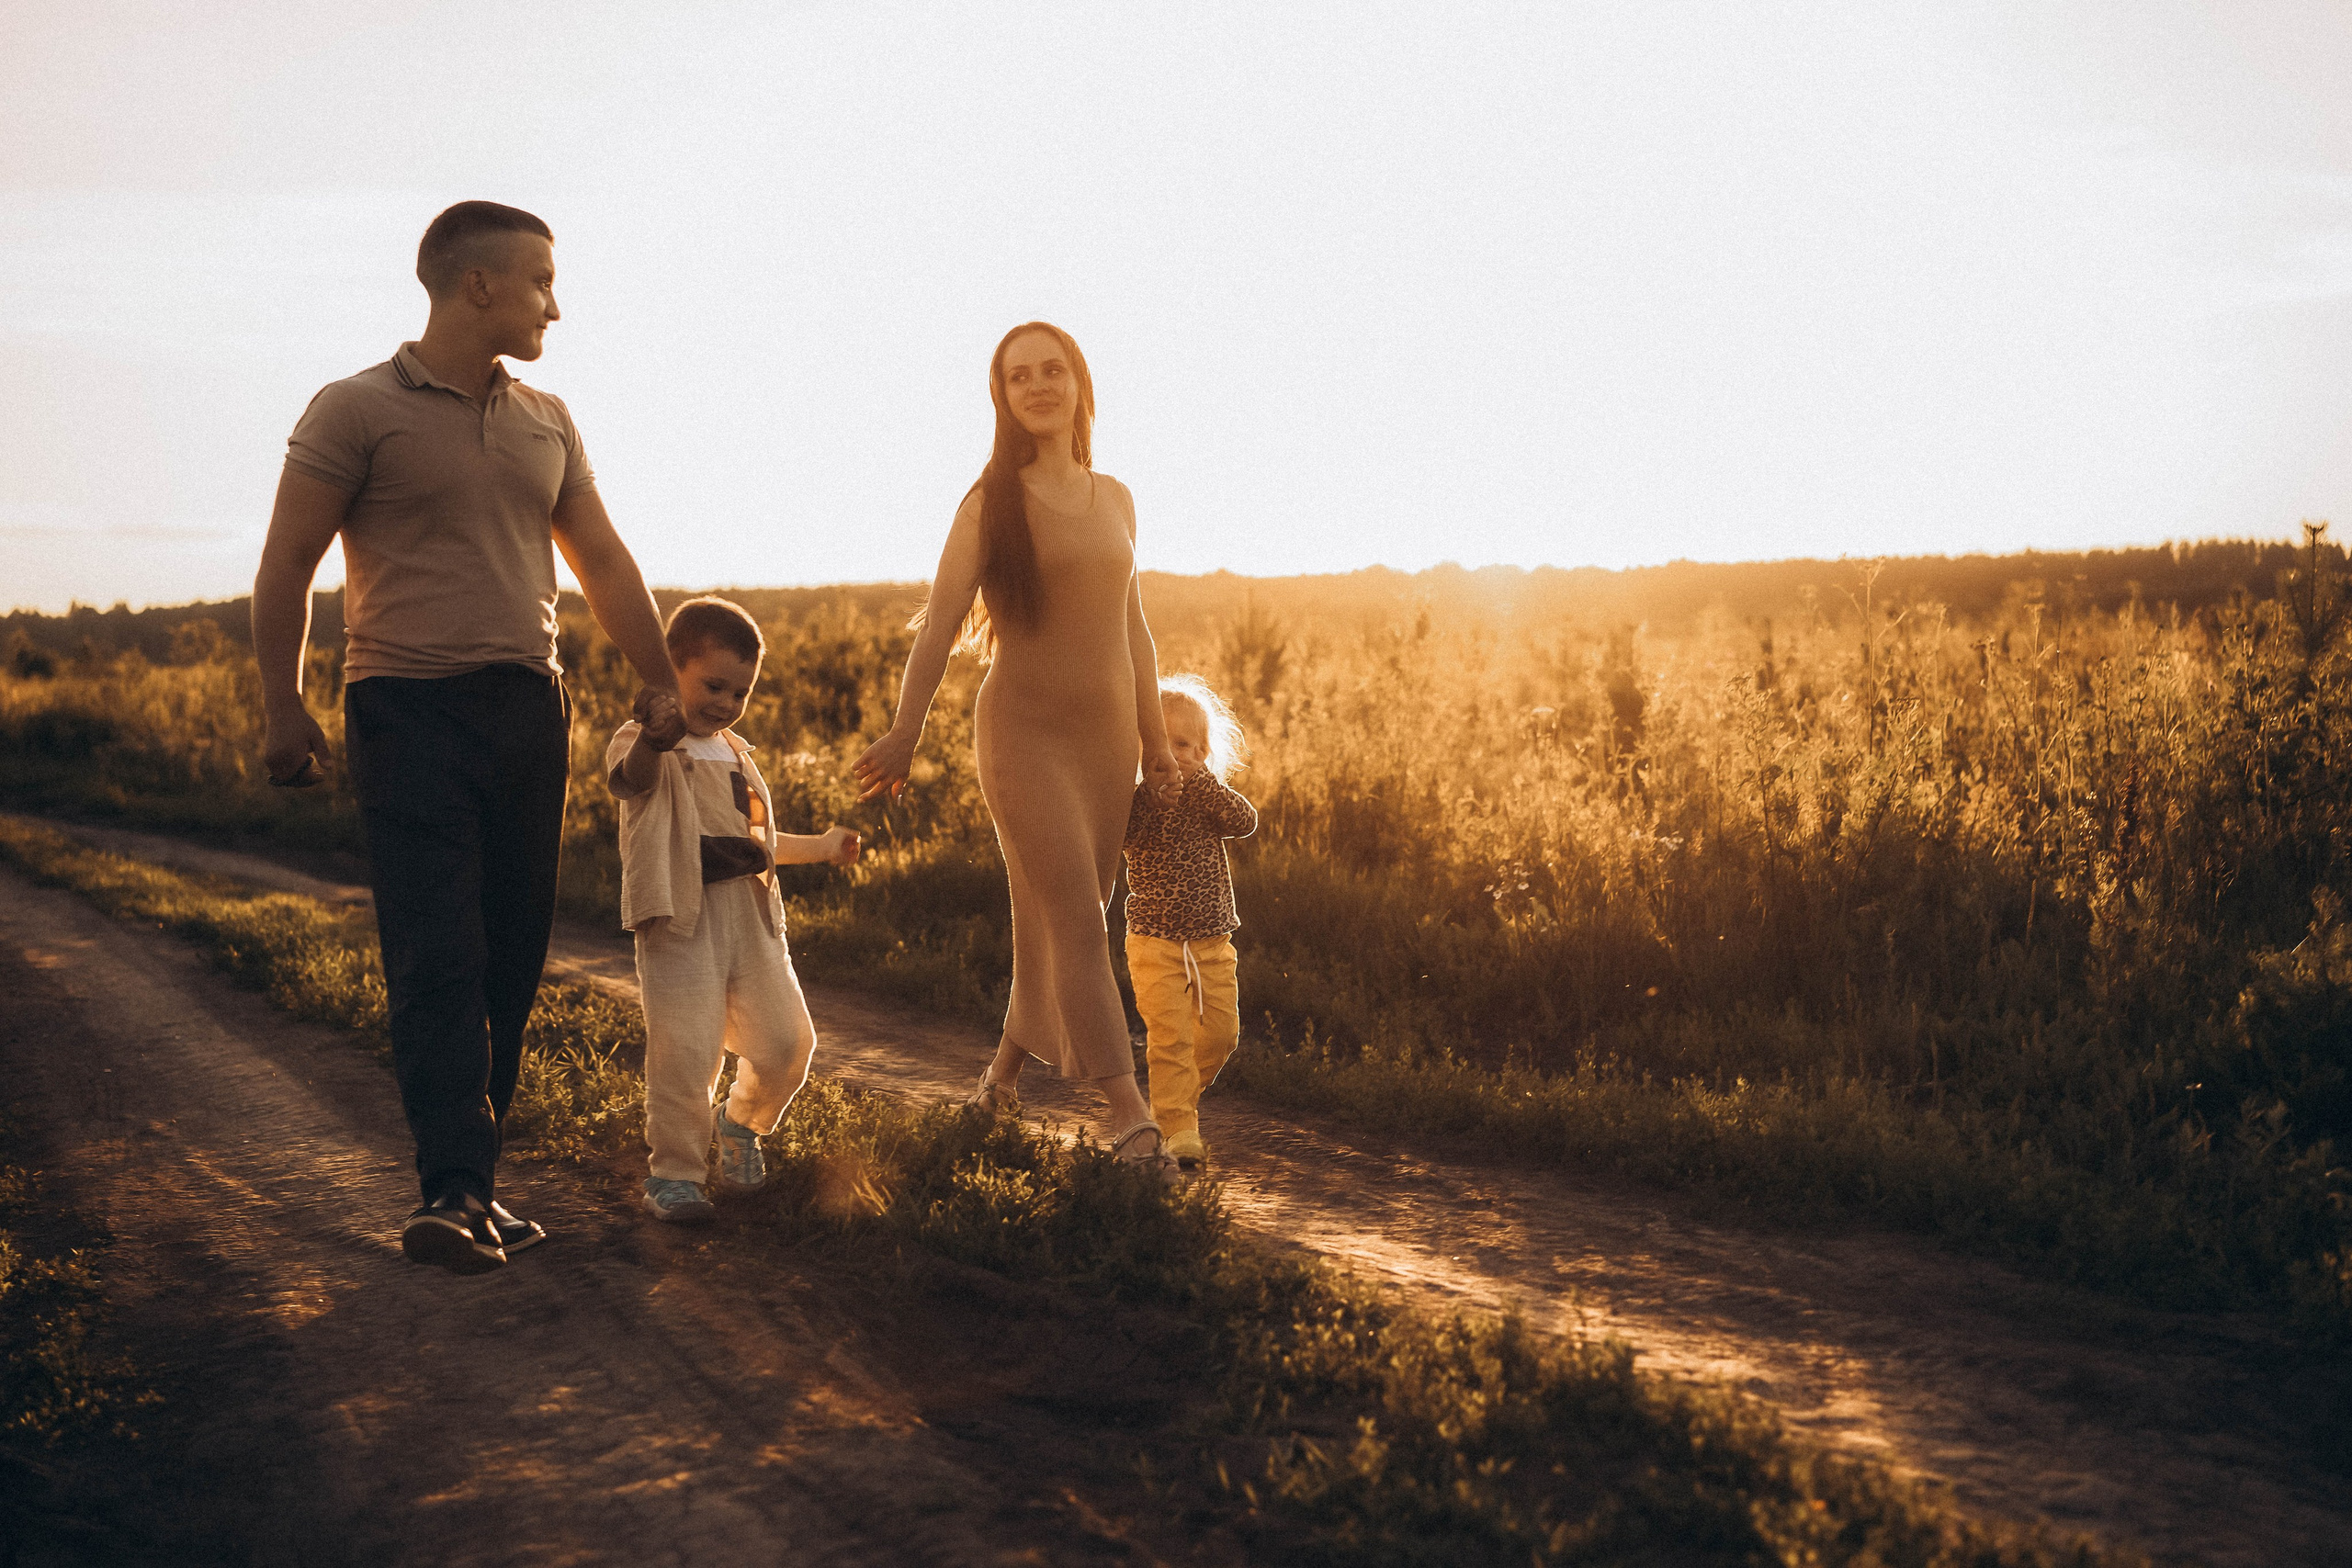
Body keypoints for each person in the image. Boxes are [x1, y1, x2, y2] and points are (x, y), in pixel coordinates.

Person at [253, 200, 678, 1275]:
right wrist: (282, 706)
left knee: (510, 956)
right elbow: (287, 565)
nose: (555, 302)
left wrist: (660, 681)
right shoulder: (354, 410)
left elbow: (605, 562)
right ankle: (450, 1188)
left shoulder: (549, 417)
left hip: (529, 711)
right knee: (439, 951)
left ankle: (473, 1184)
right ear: (477, 284)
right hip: (405, 708)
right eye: (541, 279)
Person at [852, 321, 1183, 1174]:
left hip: (1106, 742)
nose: (1038, 385)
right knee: (1078, 916)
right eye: (1017, 376)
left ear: (1079, 381)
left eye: (1053, 369)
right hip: (1024, 736)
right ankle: (1132, 1121)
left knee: (1050, 919)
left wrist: (1158, 746)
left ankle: (998, 1080)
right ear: (1000, 397)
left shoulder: (1117, 497)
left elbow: (1134, 630)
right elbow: (938, 627)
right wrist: (905, 727)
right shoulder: (990, 502)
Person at [606, 597, 860, 1223]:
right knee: (685, 1048)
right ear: (671, 668)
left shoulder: (738, 754)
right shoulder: (644, 739)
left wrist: (824, 846)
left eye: (739, 691)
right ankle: (675, 1174)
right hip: (679, 917)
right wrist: (656, 737)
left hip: (751, 918)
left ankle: (742, 1121)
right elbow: (629, 779)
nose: (724, 702)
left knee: (786, 1039)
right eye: (713, 685)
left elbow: (759, 844)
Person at [1122, 675, 1256, 1173]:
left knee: (1222, 1034)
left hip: (1212, 939)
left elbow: (1246, 820)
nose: (1171, 754)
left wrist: (1201, 783)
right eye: (1158, 742)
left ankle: (1170, 1104)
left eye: (1182, 744)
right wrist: (1149, 796)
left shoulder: (1207, 795)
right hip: (1154, 941)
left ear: (1201, 752)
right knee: (1170, 1040)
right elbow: (1119, 836)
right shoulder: (1137, 800)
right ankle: (1180, 1133)